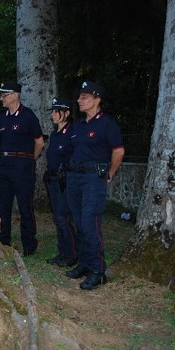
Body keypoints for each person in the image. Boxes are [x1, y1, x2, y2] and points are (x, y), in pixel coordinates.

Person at [65, 81, 125, 290]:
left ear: (97, 99)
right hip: (75, 177)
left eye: (84, 97)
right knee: (79, 222)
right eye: (79, 97)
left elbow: (118, 151)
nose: (79, 100)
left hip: (93, 178)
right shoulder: (78, 125)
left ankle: (98, 271)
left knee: (90, 223)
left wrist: (108, 174)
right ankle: (84, 263)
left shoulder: (107, 124)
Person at [0, 81, 45, 256]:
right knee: (2, 206)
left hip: (22, 166)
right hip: (4, 165)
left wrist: (31, 159)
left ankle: (29, 246)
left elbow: (39, 142)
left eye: (5, 95)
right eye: (1, 95)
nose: (1, 98)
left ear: (15, 95)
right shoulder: (2, 117)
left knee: (25, 207)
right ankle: (4, 242)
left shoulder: (28, 116)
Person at [45, 97, 78, 267]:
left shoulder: (73, 132)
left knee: (63, 217)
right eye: (52, 111)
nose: (53, 114)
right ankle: (63, 252)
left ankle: (72, 254)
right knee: (57, 218)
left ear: (66, 113)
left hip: (66, 181)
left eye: (56, 111)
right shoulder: (54, 134)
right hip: (53, 180)